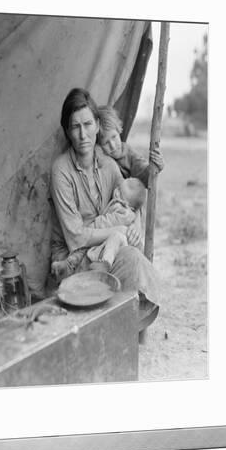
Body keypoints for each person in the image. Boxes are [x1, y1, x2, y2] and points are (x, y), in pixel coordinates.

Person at [50, 88, 160, 304]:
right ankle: (132, 324)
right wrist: (120, 230)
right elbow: (76, 238)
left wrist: (135, 226)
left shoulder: (109, 164)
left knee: (133, 253)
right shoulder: (61, 170)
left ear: (97, 126)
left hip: (102, 251)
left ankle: (131, 323)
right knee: (132, 258)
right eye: (75, 127)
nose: (83, 135)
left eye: (88, 125)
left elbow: (130, 201)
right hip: (73, 258)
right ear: (67, 131)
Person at [51, 177, 147, 280]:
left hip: (115, 245)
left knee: (116, 236)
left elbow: (108, 222)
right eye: (118, 188)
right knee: (84, 249)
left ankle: (105, 264)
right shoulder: (120, 205)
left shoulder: (124, 212)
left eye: (120, 194)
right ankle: (68, 265)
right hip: (105, 242)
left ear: (130, 207)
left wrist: (94, 226)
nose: (116, 192)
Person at [97, 105, 164, 184]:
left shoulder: (129, 153)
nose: (112, 146)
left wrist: (154, 167)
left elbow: (142, 170)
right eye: (106, 142)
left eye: (114, 137)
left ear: (118, 131)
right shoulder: (99, 156)